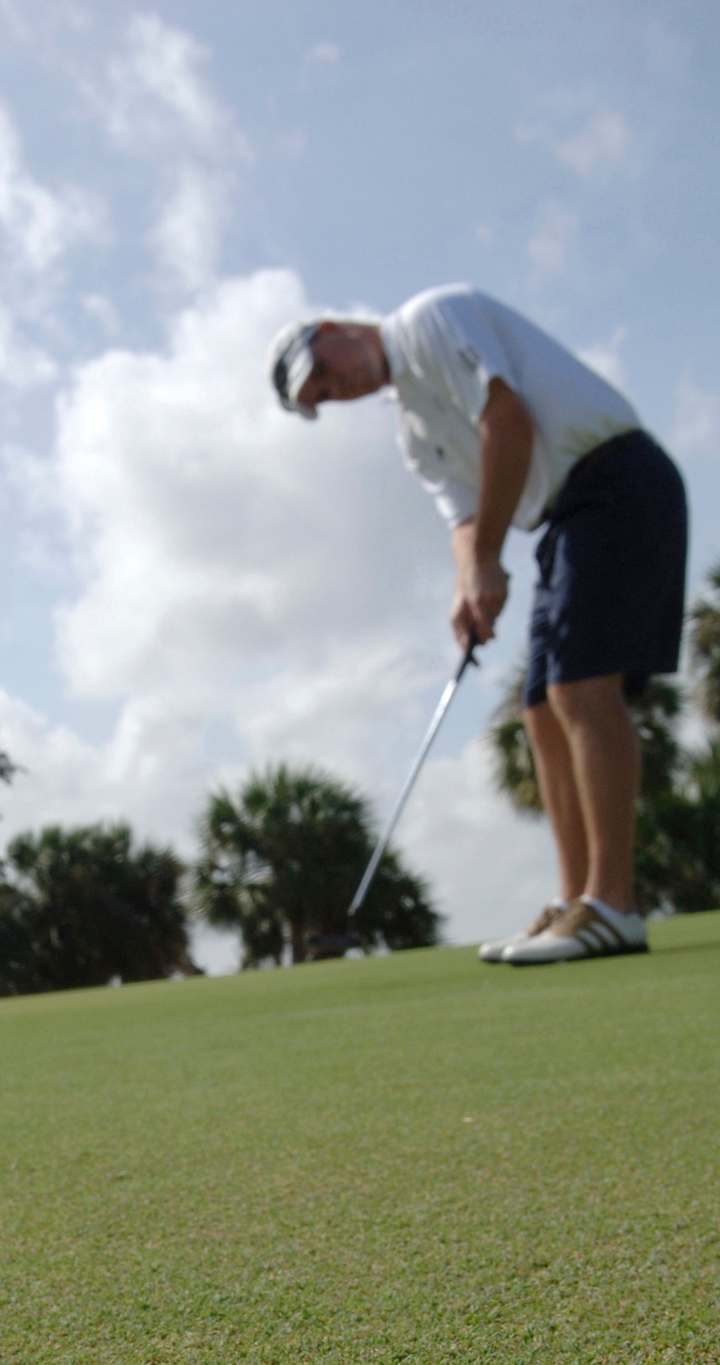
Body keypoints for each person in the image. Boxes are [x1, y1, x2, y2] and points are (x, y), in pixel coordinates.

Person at [268, 288, 688, 963]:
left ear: (331, 328)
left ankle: (615, 904)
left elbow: (507, 420)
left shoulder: (430, 318)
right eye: (321, 395)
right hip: (564, 515)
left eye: (324, 371)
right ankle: (577, 900)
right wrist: (469, 584)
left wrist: (490, 559)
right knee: (541, 710)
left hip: (617, 476)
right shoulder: (412, 433)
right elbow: (463, 519)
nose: (334, 387)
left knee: (581, 691)